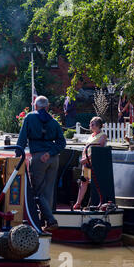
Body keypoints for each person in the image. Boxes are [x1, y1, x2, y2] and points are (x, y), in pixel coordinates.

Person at [17, 96, 66, 232]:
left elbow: (22, 139)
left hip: (39, 158)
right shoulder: (54, 122)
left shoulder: (29, 118)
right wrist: (50, 153)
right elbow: (62, 143)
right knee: (48, 191)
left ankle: (50, 219)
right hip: (53, 158)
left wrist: (17, 157)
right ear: (47, 107)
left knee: (38, 191)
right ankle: (45, 221)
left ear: (35, 106)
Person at [73, 117, 107, 210]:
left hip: (95, 163)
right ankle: (78, 203)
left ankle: (95, 203)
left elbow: (98, 150)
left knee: (95, 183)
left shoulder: (103, 135)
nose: (90, 126)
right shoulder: (91, 135)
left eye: (92, 124)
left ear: (98, 125)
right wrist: (84, 159)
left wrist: (87, 159)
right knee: (84, 181)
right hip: (86, 163)